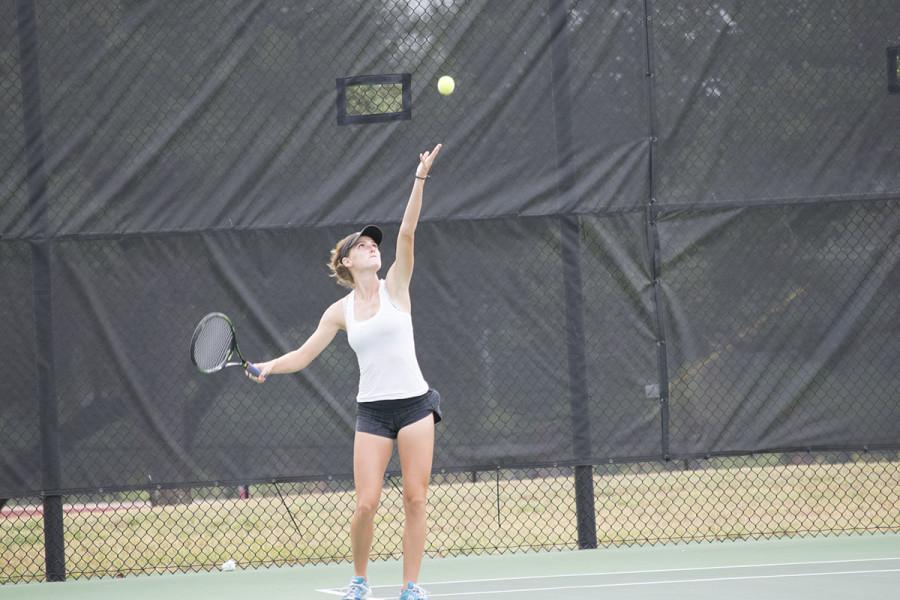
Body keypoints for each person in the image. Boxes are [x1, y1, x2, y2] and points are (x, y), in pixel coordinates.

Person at [246, 144, 444, 600]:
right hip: (372, 413)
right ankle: (360, 580)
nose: (372, 248)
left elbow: (409, 234)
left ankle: (411, 587)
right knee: (366, 503)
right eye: (362, 246)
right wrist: (268, 367)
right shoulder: (340, 311)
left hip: (415, 405)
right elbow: (303, 353)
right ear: (347, 263)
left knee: (416, 498)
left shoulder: (397, 286)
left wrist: (420, 178)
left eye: (374, 244)